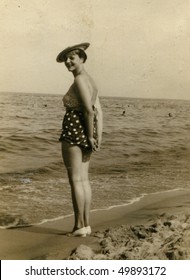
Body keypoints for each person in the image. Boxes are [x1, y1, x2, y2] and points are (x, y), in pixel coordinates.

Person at [57, 43, 103, 237]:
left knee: (76, 180)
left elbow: (89, 110)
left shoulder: (79, 80)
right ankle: (85, 225)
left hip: (76, 129)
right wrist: (97, 136)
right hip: (86, 130)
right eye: (66, 59)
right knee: (83, 180)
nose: (68, 61)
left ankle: (79, 227)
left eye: (72, 58)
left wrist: (91, 136)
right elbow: (99, 111)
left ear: (82, 58)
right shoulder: (90, 80)